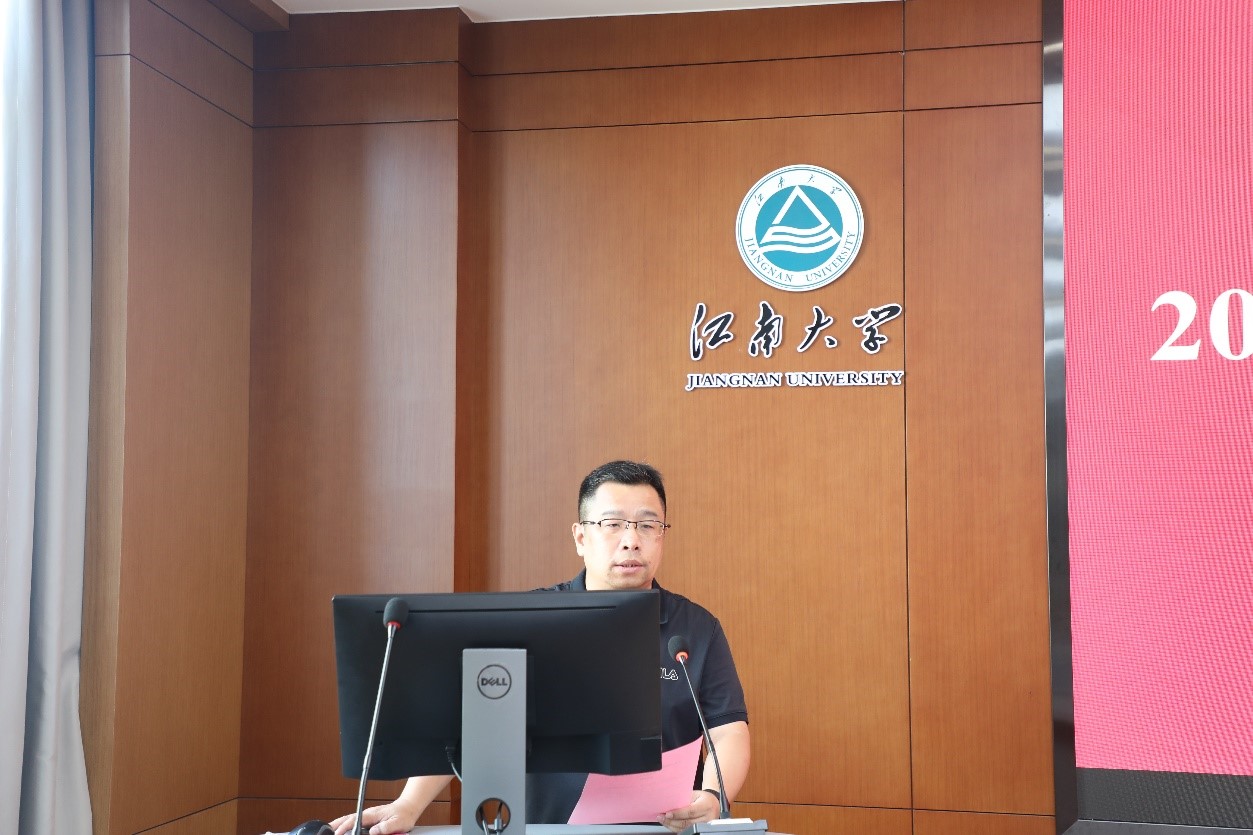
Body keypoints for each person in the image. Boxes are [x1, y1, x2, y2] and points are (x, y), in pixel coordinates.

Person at [332, 461, 750, 835]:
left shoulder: (695, 630)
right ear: (580, 537)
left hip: (662, 831)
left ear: (662, 536)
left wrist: (714, 796)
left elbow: (728, 730)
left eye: (647, 525)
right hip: (542, 829)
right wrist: (408, 805)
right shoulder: (531, 617)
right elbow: (471, 722)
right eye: (612, 524)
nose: (631, 540)